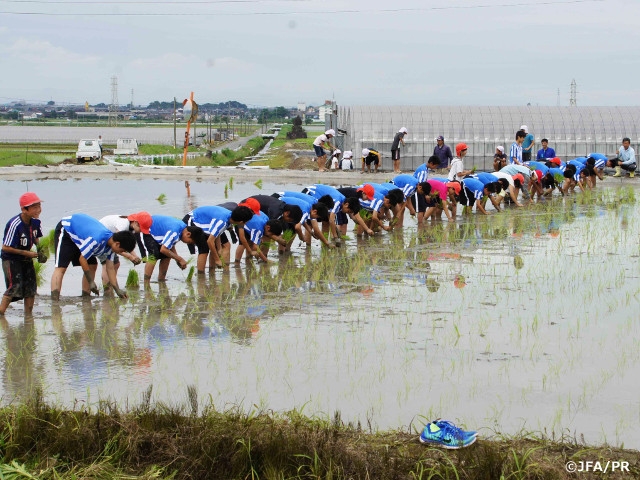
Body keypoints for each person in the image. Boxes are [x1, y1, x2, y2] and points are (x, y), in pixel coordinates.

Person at [50, 213, 137, 300]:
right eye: (121, 250)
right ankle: (55, 300)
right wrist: (91, 281)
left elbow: (110, 268)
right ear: (117, 244)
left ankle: (85, 296)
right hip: (67, 228)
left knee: (92, 265)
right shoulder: (96, 239)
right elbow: (82, 258)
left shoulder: (111, 247)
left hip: (82, 235)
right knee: (61, 267)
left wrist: (117, 290)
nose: (121, 253)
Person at [1, 193, 45, 316]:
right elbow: (5, 247)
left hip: (27, 258)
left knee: (31, 287)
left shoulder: (36, 222)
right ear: (24, 209)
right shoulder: (15, 224)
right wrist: (26, 252)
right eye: (34, 207)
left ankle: (28, 315)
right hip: (11, 259)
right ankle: (1, 313)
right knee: (14, 286)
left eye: (39, 206)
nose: (38, 210)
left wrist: (40, 250)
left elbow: (36, 238)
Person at [137, 215, 205, 284]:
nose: (187, 243)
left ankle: (161, 280)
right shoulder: (175, 231)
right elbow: (163, 249)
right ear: (188, 234)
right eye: (190, 242)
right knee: (154, 255)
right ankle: (146, 284)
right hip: (145, 229)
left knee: (167, 255)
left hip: (156, 233)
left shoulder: (181, 229)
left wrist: (177, 259)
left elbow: (170, 245)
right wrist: (179, 259)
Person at [183, 205, 254, 271]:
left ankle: (211, 271)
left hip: (206, 221)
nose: (245, 224)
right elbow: (210, 241)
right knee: (204, 249)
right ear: (241, 222)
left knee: (218, 247)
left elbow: (217, 232)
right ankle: (201, 275)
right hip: (193, 220)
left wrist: (219, 248)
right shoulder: (222, 221)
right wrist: (217, 259)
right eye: (246, 222)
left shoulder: (229, 218)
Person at [99, 212, 152, 294]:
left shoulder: (132, 228)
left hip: (110, 241)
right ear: (135, 223)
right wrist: (129, 257)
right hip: (101, 240)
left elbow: (126, 245)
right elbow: (116, 245)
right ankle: (107, 291)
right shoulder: (123, 225)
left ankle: (112, 287)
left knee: (115, 264)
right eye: (141, 228)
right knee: (107, 265)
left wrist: (135, 256)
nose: (141, 231)